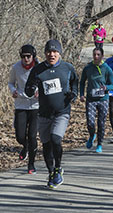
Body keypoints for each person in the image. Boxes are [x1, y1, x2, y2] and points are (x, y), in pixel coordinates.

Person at [24, 39, 77, 189]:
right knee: (46, 145)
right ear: (45, 53)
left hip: (62, 111)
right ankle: (51, 172)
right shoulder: (38, 69)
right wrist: (31, 88)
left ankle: (58, 168)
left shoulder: (67, 68)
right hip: (44, 113)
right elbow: (28, 89)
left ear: (59, 53)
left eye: (54, 52)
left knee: (55, 138)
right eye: (49, 52)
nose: (51, 55)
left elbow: (75, 82)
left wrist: (73, 94)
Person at [8, 44, 39, 174]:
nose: (26, 59)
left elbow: (45, 82)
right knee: (20, 136)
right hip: (21, 104)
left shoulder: (39, 68)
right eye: (23, 57)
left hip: (36, 106)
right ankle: (24, 146)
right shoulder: (16, 68)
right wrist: (13, 90)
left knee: (32, 135)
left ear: (33, 56)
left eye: (28, 56)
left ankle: (31, 164)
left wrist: (39, 91)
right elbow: (11, 82)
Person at [79, 47, 113, 153]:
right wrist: (81, 94)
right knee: (90, 122)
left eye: (98, 55)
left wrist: (106, 88)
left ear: (102, 56)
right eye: (94, 54)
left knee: (101, 123)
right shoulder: (88, 68)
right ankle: (91, 135)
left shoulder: (107, 68)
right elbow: (82, 82)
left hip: (103, 99)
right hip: (91, 99)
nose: (96, 57)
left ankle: (99, 144)